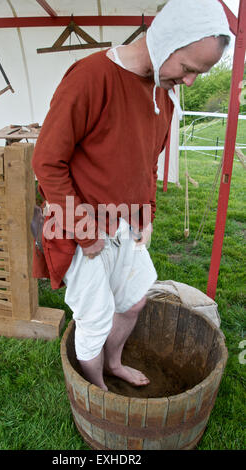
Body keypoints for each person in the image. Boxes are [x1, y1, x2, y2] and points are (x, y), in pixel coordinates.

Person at [32, 0, 230, 391]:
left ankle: (114, 363)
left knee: (135, 300)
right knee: (96, 315)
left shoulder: (163, 94)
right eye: (188, 68)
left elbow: (147, 163)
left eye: (198, 73)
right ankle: (97, 387)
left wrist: (147, 214)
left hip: (125, 222)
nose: (190, 81)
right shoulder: (92, 77)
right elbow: (47, 162)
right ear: (165, 41)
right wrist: (84, 231)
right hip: (77, 226)